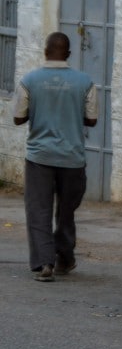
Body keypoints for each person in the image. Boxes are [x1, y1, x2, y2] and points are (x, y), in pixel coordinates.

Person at [13, 32, 98, 282]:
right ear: (69, 54)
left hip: (39, 157)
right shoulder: (86, 82)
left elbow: (18, 118)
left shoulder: (29, 80)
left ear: (45, 51)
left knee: (38, 210)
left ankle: (44, 264)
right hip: (72, 158)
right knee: (66, 211)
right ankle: (65, 257)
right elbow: (92, 119)